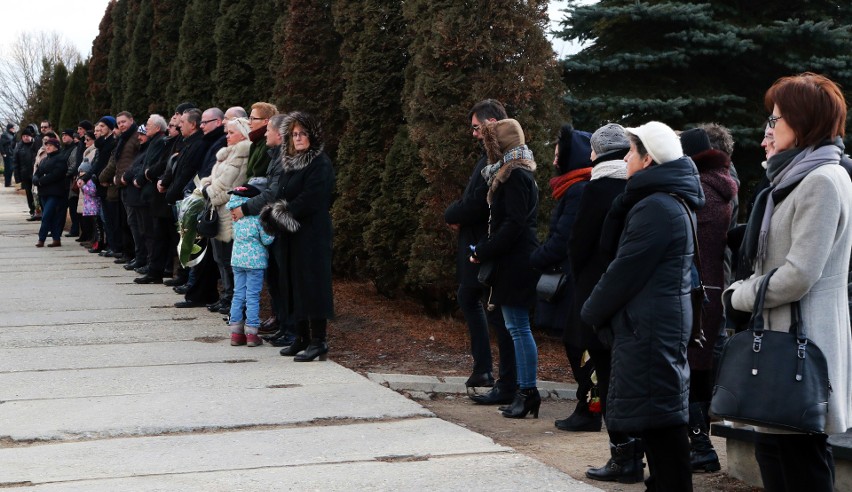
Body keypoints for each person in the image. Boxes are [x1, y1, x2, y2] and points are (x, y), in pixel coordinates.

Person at [725, 72, 852, 492]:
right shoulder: (793, 178)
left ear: (804, 122)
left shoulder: (821, 181)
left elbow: (800, 274)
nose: (769, 129)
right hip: (782, 339)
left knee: (799, 462)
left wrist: (739, 295)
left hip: (801, 343)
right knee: (776, 456)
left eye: (776, 119)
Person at [582, 121, 704, 491]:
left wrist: (590, 311)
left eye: (632, 151)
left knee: (662, 425)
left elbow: (624, 270)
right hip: (654, 323)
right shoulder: (662, 200)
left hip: (650, 328)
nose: (626, 156)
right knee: (659, 419)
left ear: (648, 158)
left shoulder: (656, 206)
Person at [570, 123, 641, 482]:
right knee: (631, 377)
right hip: (634, 298)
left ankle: (623, 458)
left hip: (599, 296)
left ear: (598, 152)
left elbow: (578, 243)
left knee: (609, 376)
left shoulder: (597, 188)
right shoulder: (638, 185)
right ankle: (636, 455)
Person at [444, 99, 516, 401]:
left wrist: (453, 214)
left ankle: (500, 376)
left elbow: (479, 202)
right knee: (472, 297)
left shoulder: (499, 160)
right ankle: (487, 369)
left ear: (490, 124)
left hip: (484, 243)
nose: (473, 134)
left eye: (476, 128)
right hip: (478, 240)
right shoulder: (491, 157)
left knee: (494, 310)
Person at [469, 118, 540, 419]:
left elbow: (513, 224)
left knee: (519, 328)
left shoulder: (513, 176)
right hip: (516, 260)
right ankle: (525, 392)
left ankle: (527, 392)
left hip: (516, 262)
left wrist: (484, 251)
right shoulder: (517, 173)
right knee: (516, 327)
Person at [529, 124, 598, 431]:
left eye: (559, 151)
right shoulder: (572, 187)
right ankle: (589, 406)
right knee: (577, 346)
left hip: (576, 282)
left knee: (581, 348)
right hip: (572, 279)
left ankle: (591, 408)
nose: (554, 157)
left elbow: (563, 239)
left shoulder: (580, 189)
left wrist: (535, 258)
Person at [679, 127, 738, 474]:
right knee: (698, 370)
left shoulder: (698, 189)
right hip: (712, 288)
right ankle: (700, 446)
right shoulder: (721, 182)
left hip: (697, 291)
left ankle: (701, 447)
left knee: (689, 372)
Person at [261, 111, 335, 362]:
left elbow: (312, 199)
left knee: (313, 285)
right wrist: (275, 213)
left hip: (312, 233)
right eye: (294, 134)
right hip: (291, 233)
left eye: (303, 133)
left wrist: (280, 213)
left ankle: (318, 340)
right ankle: (301, 336)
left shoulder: (320, 163)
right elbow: (282, 191)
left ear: (312, 135)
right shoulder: (292, 161)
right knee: (293, 283)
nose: (299, 138)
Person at [199, 117, 252, 315]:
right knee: (219, 258)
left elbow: (227, 188)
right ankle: (227, 296)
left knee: (230, 260)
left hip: (229, 215)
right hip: (216, 212)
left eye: (231, 133)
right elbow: (211, 179)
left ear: (242, 133)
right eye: (226, 133)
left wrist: (208, 191)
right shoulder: (226, 154)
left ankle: (235, 300)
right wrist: (207, 186)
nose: (227, 136)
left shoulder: (242, 155)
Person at [227, 177, 275, 347]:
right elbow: (267, 239)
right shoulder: (258, 218)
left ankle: (235, 332)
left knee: (238, 293)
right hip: (255, 263)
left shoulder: (235, 216)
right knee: (252, 295)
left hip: (237, 260)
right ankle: (252, 333)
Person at [133, 114, 170, 284]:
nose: (146, 128)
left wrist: (143, 176)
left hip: (155, 192)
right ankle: (153, 267)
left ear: (157, 127)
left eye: (148, 125)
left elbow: (154, 164)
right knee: (150, 232)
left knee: (155, 234)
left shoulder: (160, 142)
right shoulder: (155, 141)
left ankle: (156, 268)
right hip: (149, 193)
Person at [31, 137, 68, 247]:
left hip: (55, 192)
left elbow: (56, 174)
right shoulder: (44, 160)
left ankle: (41, 239)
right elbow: (37, 173)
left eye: (50, 145)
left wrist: (41, 181)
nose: (47, 147)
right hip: (44, 192)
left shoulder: (61, 158)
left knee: (46, 215)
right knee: (50, 216)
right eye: (46, 145)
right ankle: (56, 239)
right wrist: (35, 179)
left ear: (56, 146)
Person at [245, 102, 278, 179]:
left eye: (253, 119)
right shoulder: (256, 143)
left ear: (265, 121)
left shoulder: (267, 144)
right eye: (249, 118)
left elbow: (257, 175)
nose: (249, 122)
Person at [15, 127, 38, 219]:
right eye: (23, 136)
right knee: (29, 193)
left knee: (36, 193)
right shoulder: (19, 147)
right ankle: (32, 210)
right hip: (25, 174)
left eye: (27, 136)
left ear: (31, 136)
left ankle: (38, 210)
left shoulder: (35, 145)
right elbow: (16, 162)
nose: (25, 138)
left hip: (35, 173)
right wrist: (18, 177)